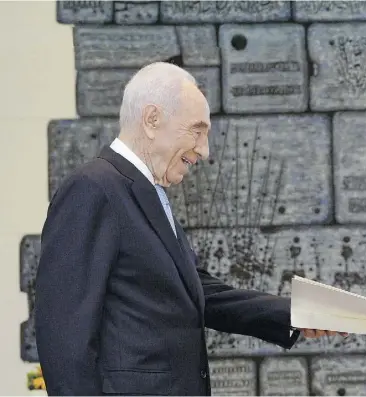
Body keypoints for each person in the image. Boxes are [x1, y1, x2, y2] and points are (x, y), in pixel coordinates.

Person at [34, 62, 338, 396]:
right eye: (197, 130)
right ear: (152, 120)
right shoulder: (93, 188)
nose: (205, 150)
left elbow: (200, 293)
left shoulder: (147, 193)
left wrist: (294, 313)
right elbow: (64, 335)